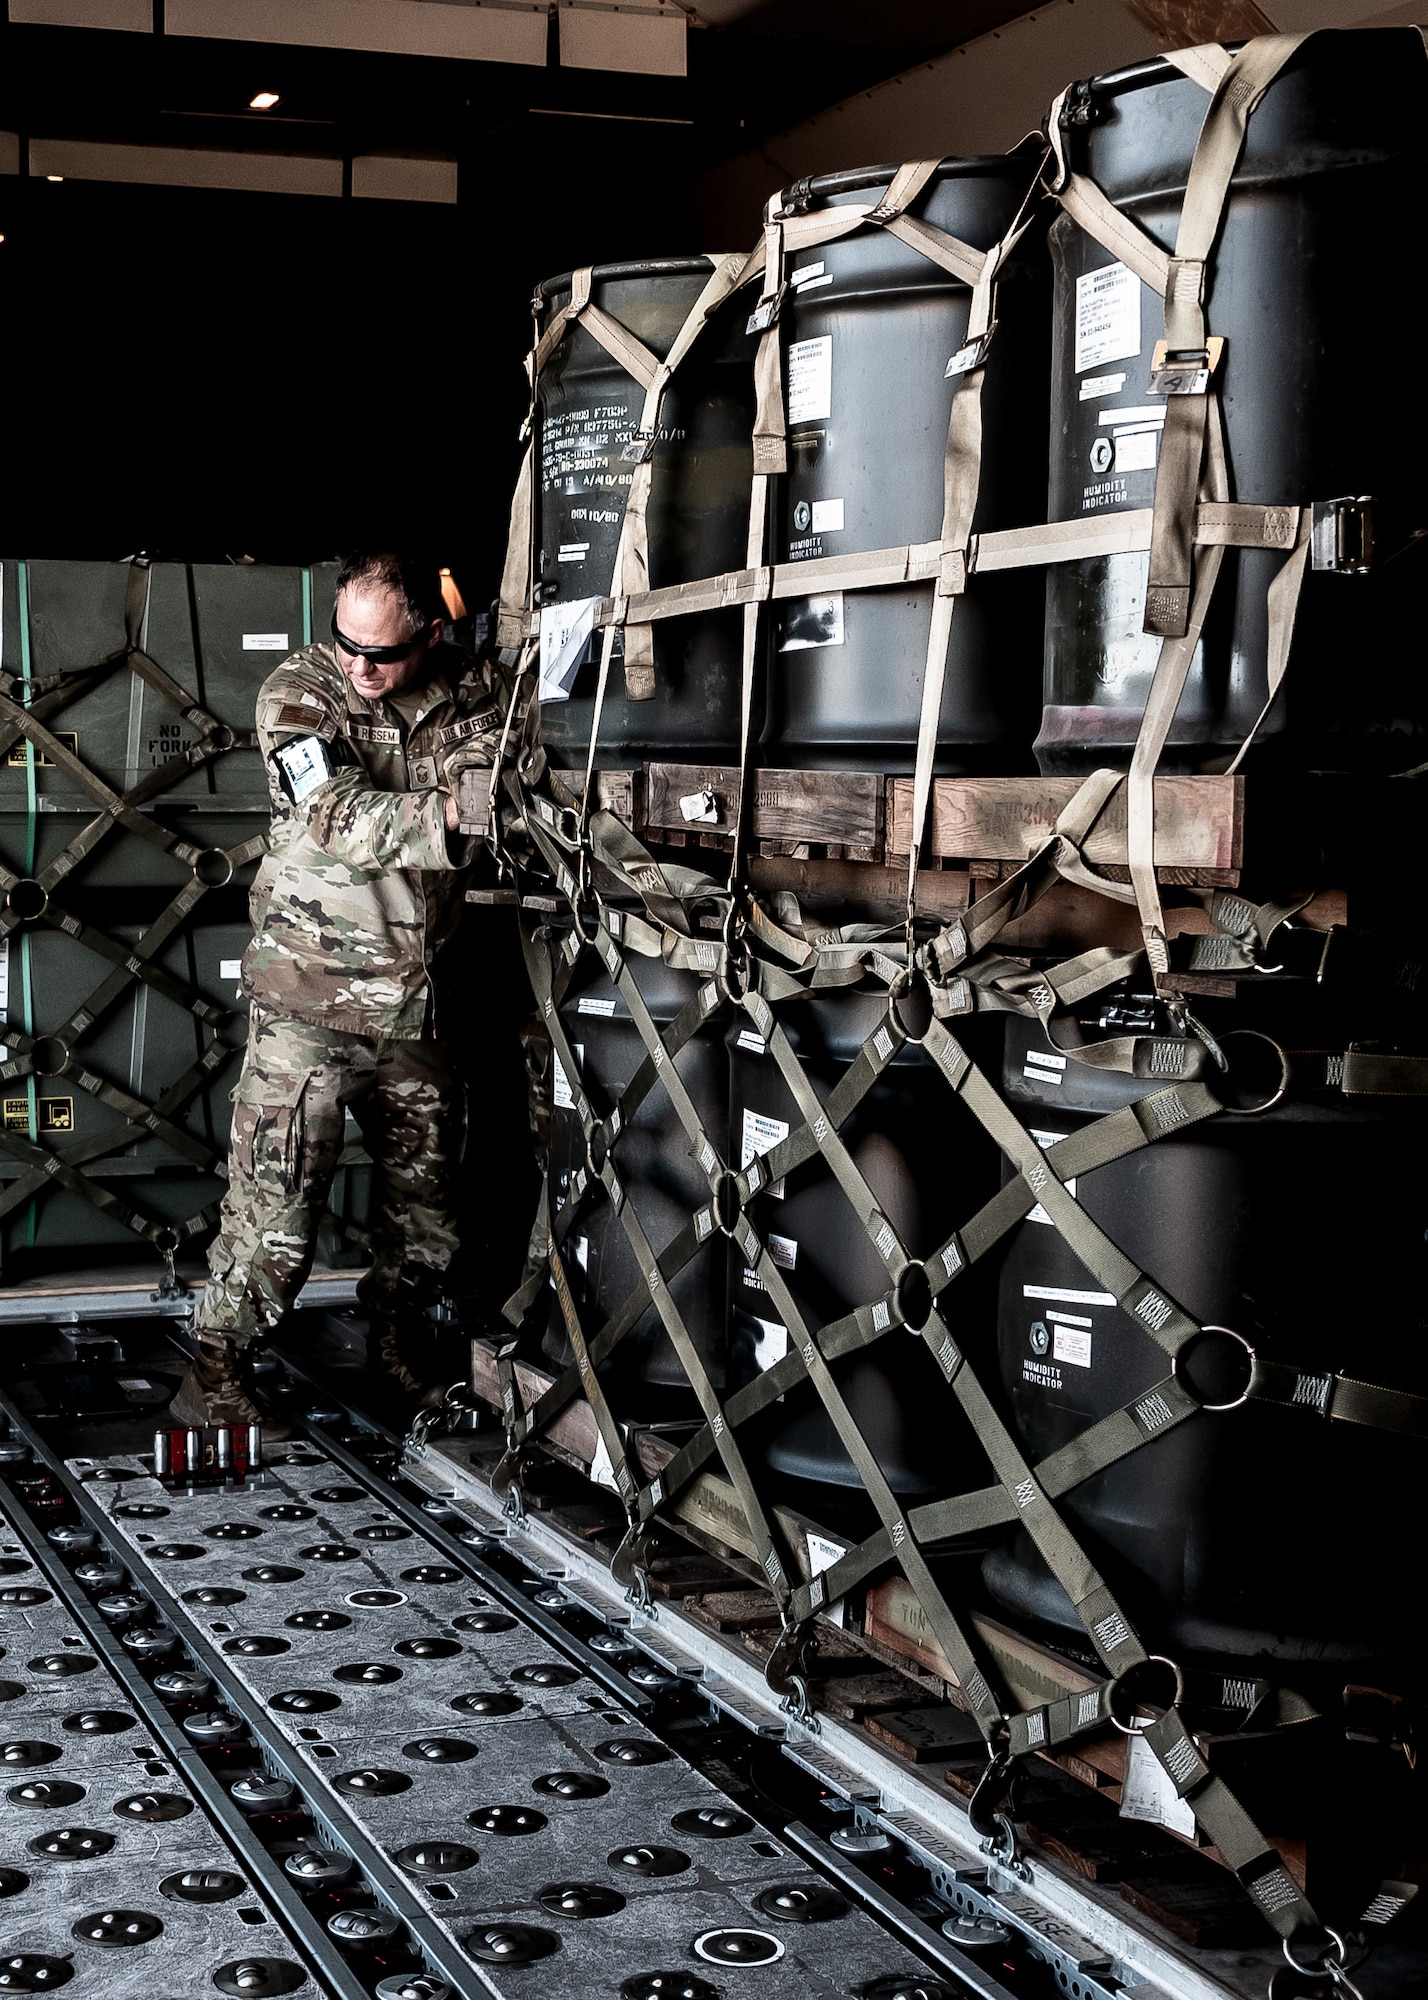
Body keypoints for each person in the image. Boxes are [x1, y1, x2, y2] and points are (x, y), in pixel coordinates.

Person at [168, 550, 505, 1435]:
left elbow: (516, 757)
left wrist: (487, 783)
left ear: (429, 636)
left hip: (415, 1006)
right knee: (275, 1208)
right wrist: (457, 808)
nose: (361, 668)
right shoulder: (299, 694)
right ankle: (215, 1374)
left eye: (383, 655)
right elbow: (337, 817)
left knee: (428, 1211)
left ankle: (393, 1352)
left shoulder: (474, 691)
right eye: (346, 644)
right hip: (308, 1002)